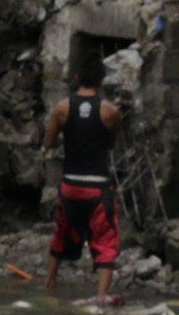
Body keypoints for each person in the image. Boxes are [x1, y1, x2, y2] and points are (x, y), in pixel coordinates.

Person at [45, 65, 125, 301]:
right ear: (101, 82)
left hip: (70, 187)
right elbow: (110, 144)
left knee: (62, 234)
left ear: (78, 78)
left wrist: (64, 138)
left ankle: (49, 284)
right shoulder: (111, 111)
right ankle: (101, 297)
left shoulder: (62, 108)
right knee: (105, 241)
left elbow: (49, 142)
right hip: (97, 187)